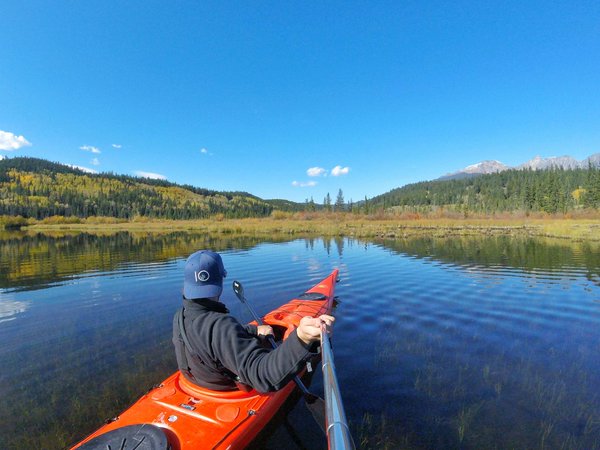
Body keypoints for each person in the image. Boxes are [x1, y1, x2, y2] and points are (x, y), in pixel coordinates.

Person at [172, 249, 334, 393]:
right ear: (221, 280)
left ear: (186, 284)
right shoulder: (220, 325)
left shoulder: (180, 315)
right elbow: (263, 377)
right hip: (224, 390)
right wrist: (302, 339)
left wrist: (253, 330)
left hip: (199, 382)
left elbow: (211, 338)